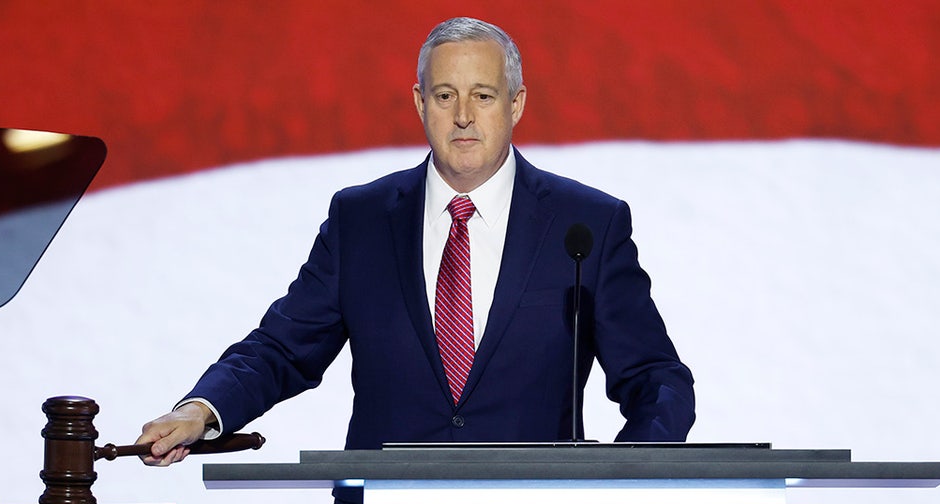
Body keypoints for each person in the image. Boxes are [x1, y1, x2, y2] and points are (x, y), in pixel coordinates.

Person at [135, 17, 695, 466]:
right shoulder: (360, 220)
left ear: (517, 103)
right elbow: (281, 349)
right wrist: (202, 410)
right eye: (445, 95)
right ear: (419, 102)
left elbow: (655, 377)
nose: (464, 117)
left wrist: (628, 475)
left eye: (483, 95)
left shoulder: (587, 225)